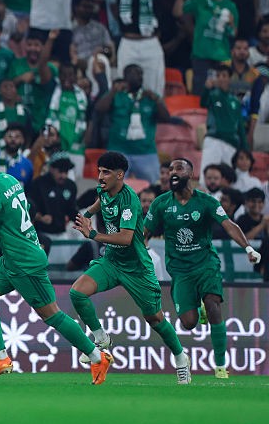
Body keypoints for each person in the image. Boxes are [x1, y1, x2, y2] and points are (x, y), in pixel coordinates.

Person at [0, 139, 110, 382]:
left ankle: (97, 357)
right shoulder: (10, 180)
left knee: (52, 315)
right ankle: (0, 357)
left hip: (24, 263)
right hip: (12, 259)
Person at [69, 151, 192, 384]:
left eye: (106, 172)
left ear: (120, 175)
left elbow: (126, 238)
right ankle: (101, 338)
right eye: (99, 171)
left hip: (136, 267)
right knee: (77, 292)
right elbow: (99, 202)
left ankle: (180, 358)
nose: (100, 177)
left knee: (155, 319)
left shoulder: (130, 201)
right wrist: (85, 215)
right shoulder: (103, 190)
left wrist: (92, 233)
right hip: (112, 262)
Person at [145, 158, 262, 379]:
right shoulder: (161, 203)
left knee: (213, 304)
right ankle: (198, 310)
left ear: (191, 173)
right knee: (188, 323)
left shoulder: (206, 201)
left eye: (178, 168)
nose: (172, 173)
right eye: (170, 170)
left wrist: (247, 247)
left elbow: (228, 224)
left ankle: (220, 367)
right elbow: (144, 234)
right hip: (179, 270)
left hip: (205, 263)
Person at [95, 65, 171, 183]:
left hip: (145, 152)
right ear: (126, 77)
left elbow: (166, 118)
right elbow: (99, 109)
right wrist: (113, 91)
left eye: (141, 74)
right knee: (112, 188)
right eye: (136, 74)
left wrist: (157, 100)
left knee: (155, 187)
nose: (140, 77)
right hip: (118, 150)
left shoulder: (149, 97)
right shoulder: (117, 95)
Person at [201, 65, 248, 177]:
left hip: (231, 144)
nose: (221, 78)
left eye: (224, 75)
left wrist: (245, 149)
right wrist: (207, 88)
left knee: (229, 179)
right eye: (218, 76)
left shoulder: (235, 101)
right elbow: (202, 103)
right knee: (207, 176)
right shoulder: (212, 95)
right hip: (214, 140)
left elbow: (240, 127)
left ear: (230, 79)